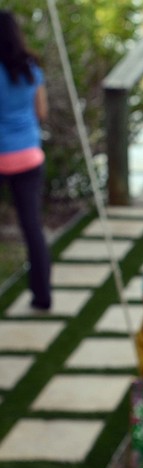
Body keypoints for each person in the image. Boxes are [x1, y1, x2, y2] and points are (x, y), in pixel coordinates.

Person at [0, 11, 52, 311]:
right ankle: (42, 297)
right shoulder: (31, 68)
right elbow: (41, 112)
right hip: (29, 155)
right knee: (33, 228)